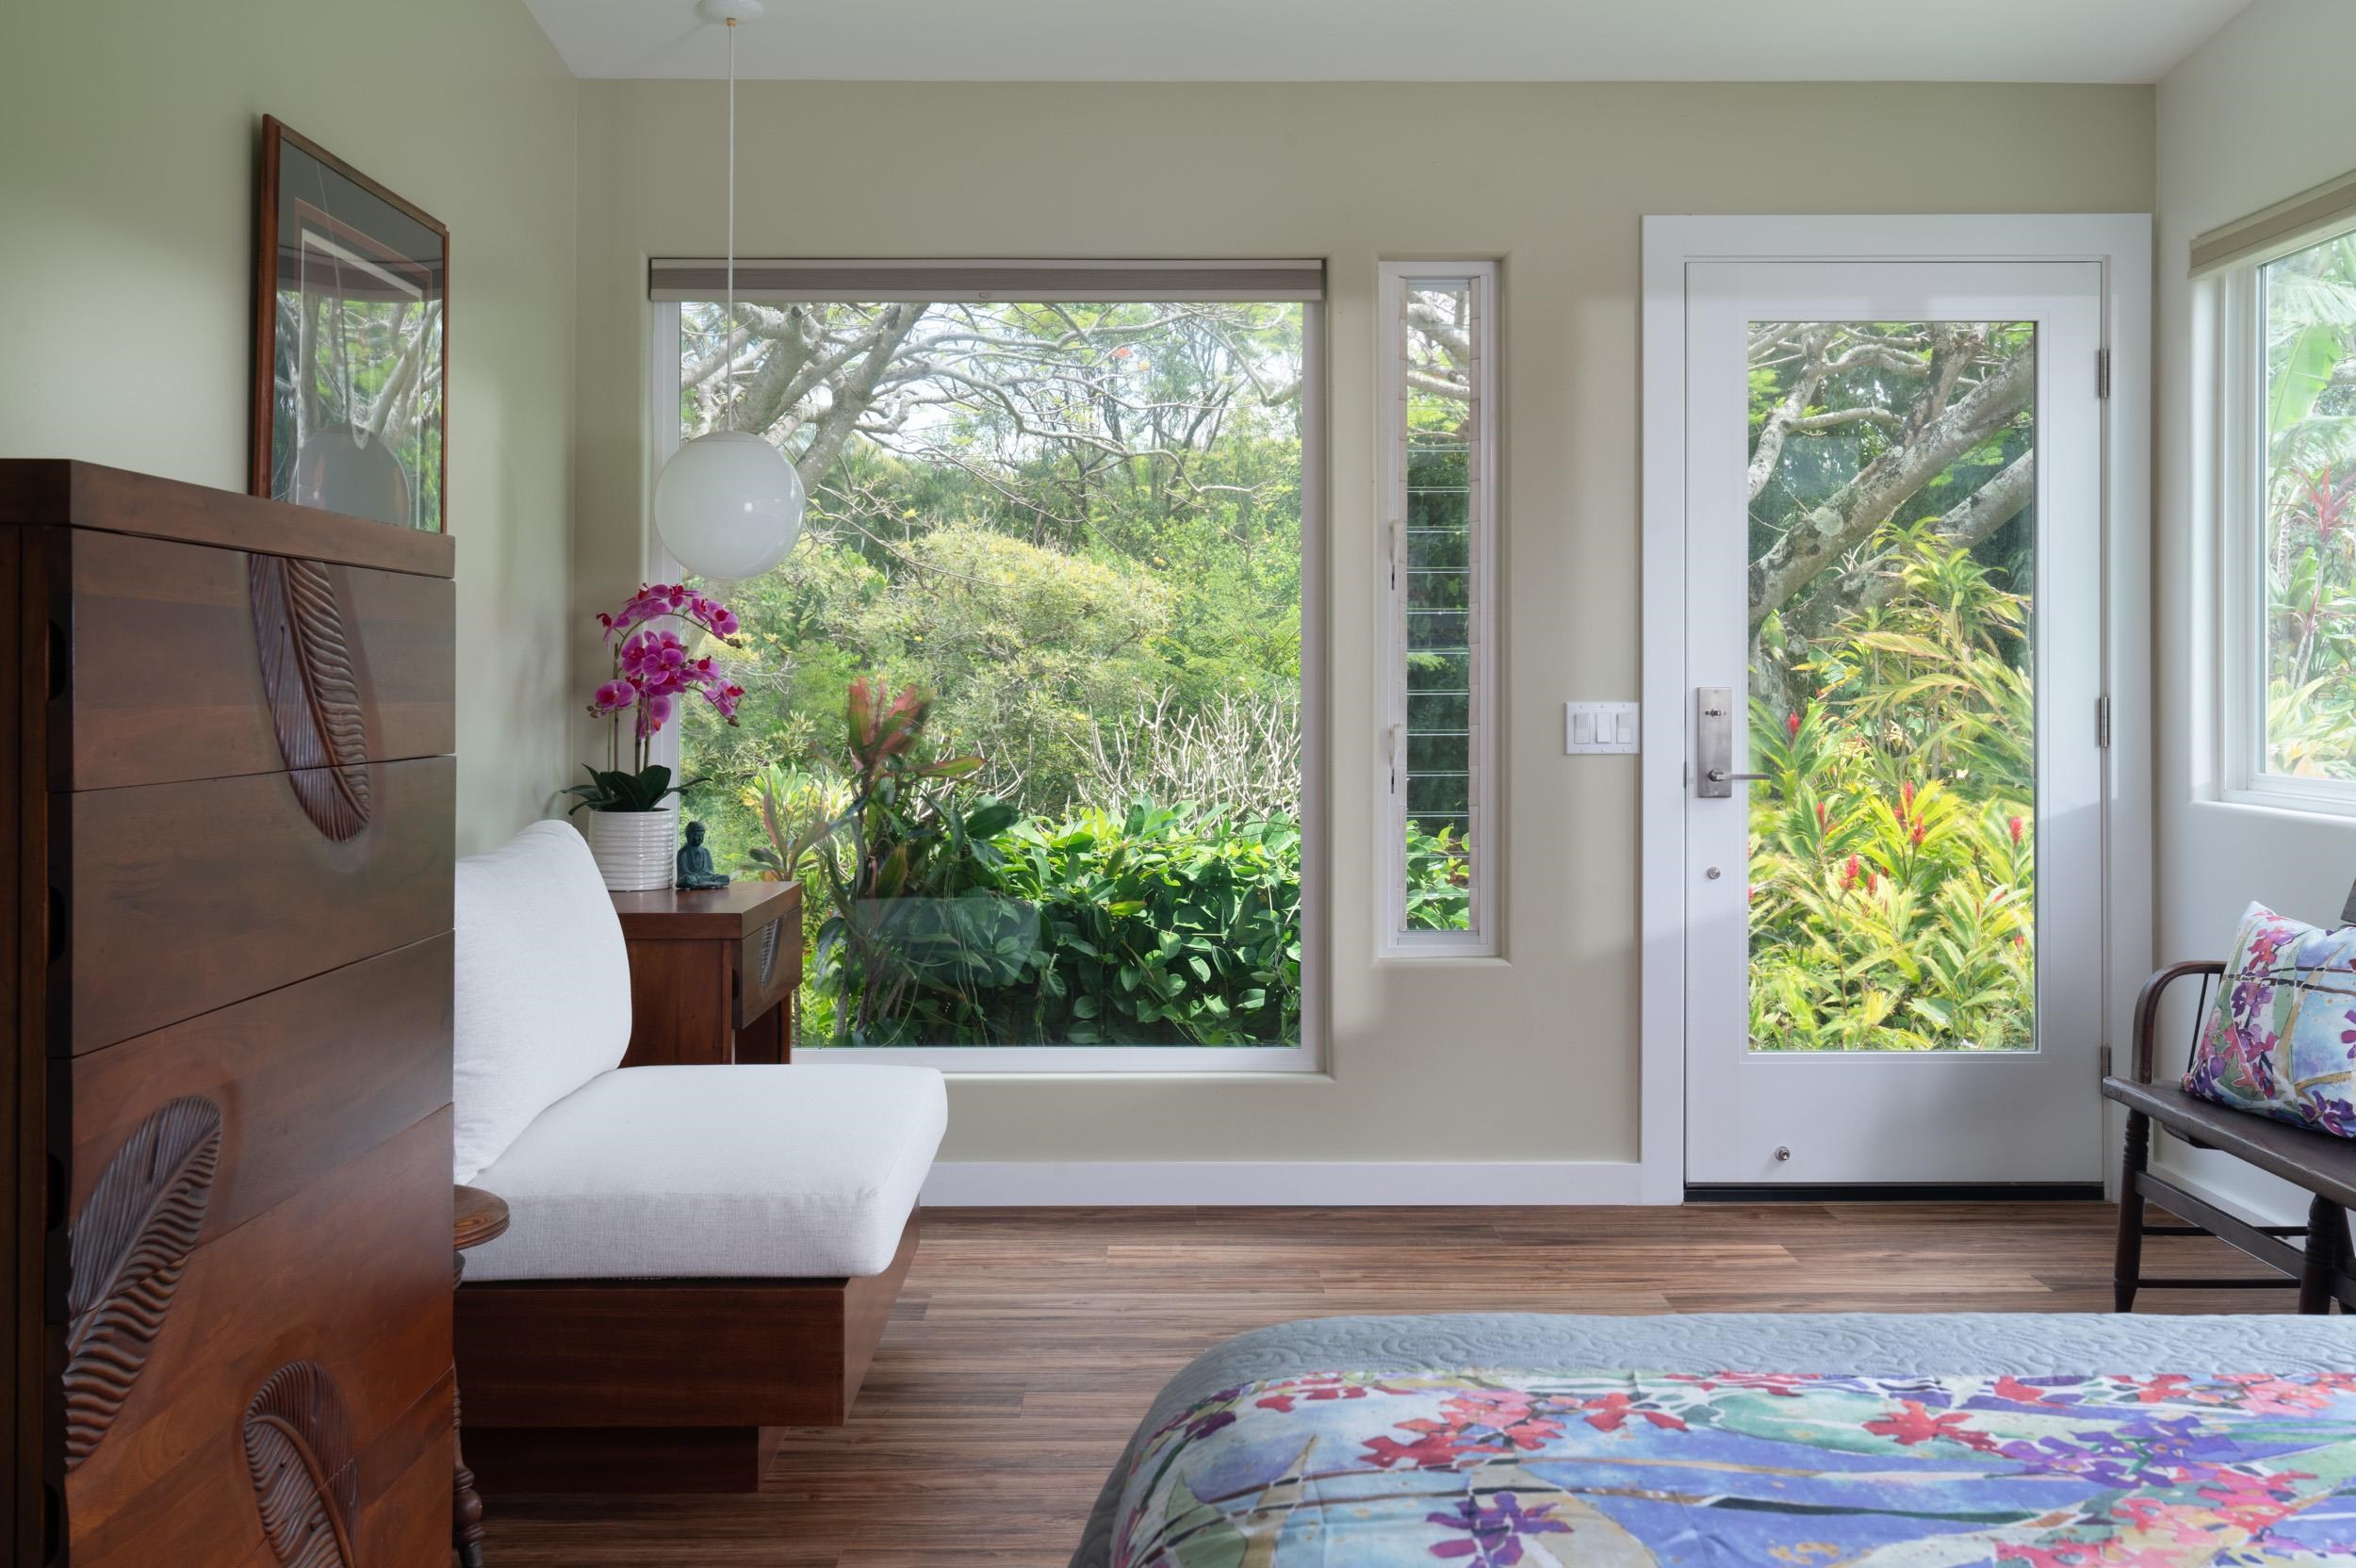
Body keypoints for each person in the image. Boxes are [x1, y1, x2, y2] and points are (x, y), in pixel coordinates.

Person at [676, 819, 729, 890]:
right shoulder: (683, 852)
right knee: (688, 880)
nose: (699, 838)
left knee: (725, 878)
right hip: (693, 878)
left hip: (705, 878)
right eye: (696, 835)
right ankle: (707, 884)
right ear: (688, 835)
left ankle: (705, 884)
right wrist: (697, 876)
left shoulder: (705, 851)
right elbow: (683, 874)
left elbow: (710, 871)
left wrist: (707, 875)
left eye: (702, 835)